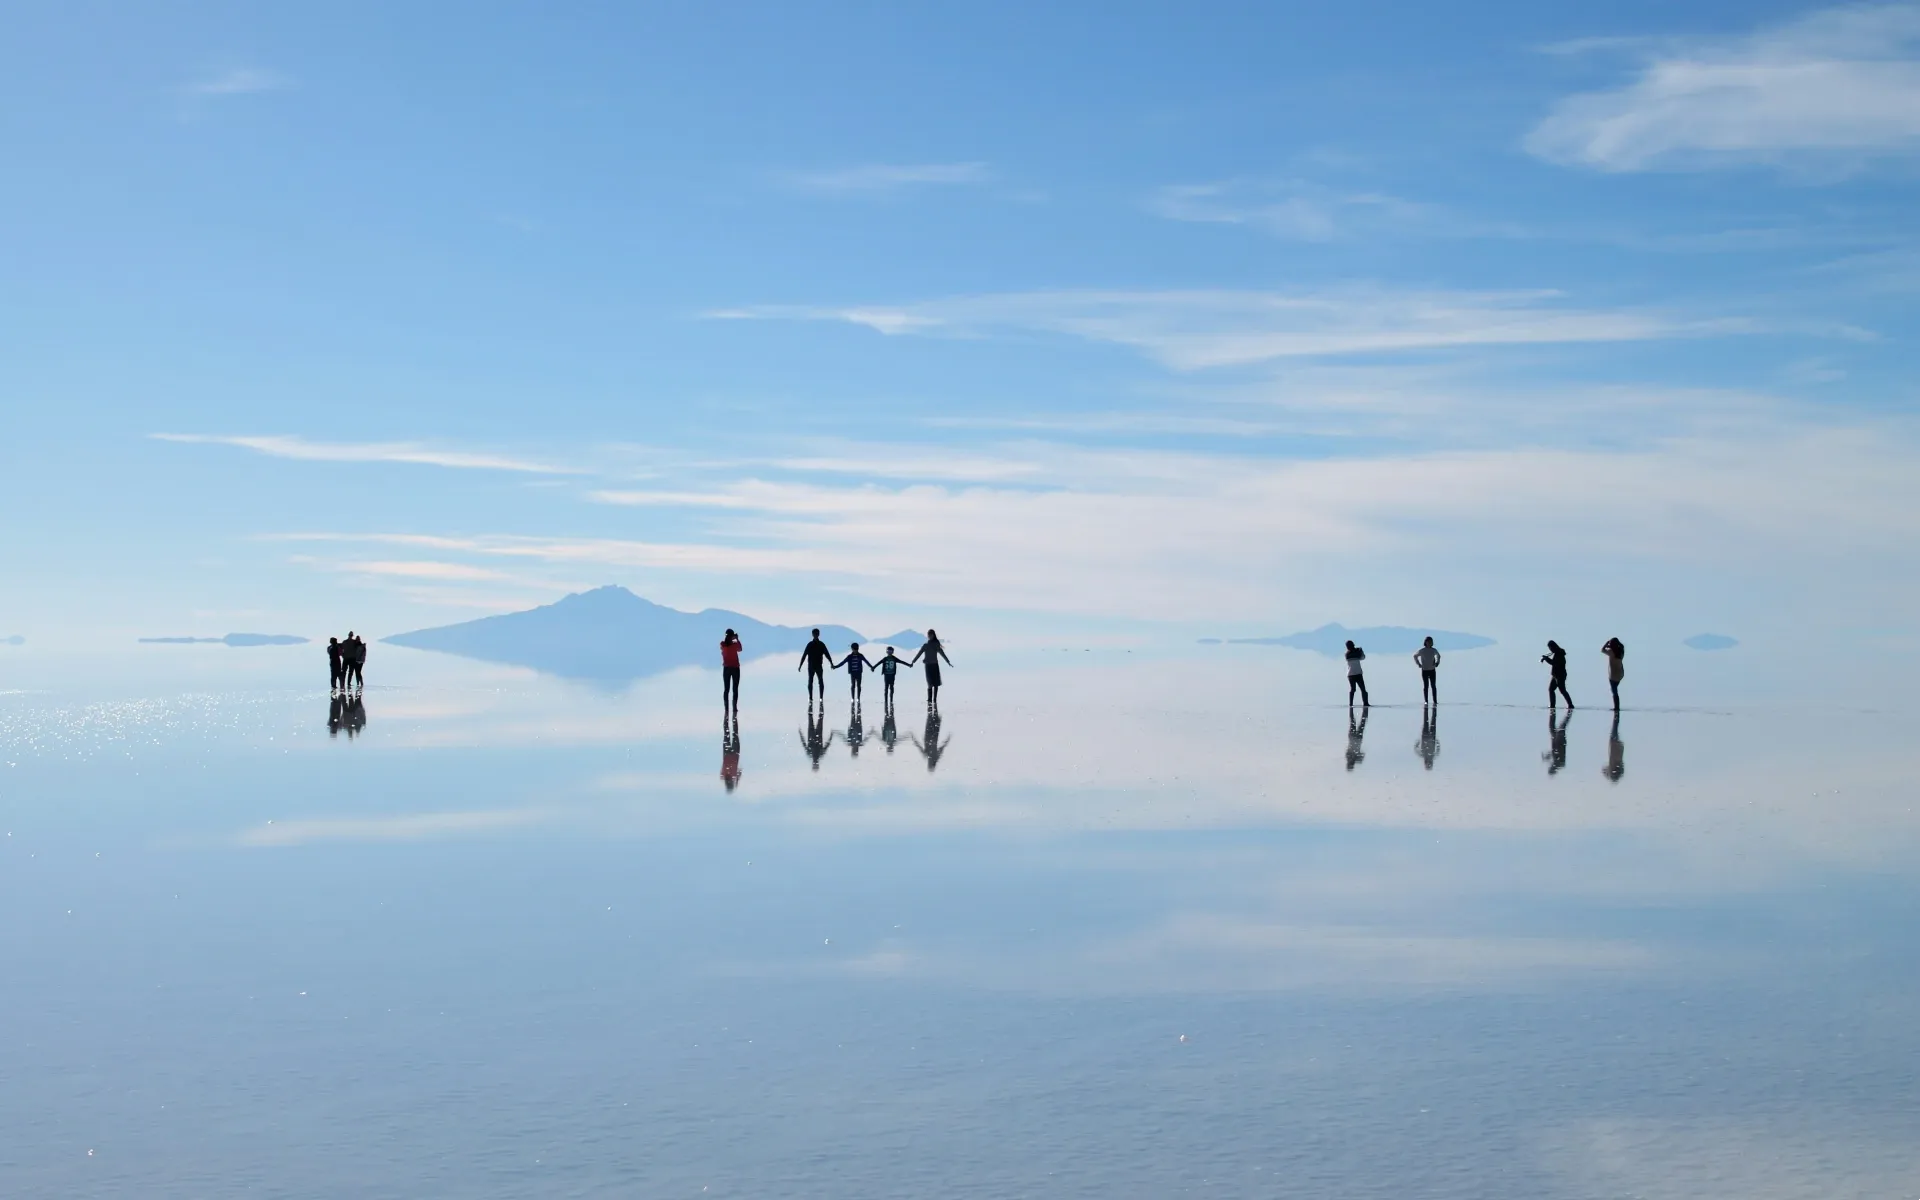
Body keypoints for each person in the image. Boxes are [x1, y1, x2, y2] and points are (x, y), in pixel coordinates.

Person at [910, 630, 953, 708]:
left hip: (935, 665)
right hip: (928, 666)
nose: (930, 636)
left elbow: (942, 653)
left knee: (936, 683)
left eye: (931, 635)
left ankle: (934, 699)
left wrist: (948, 662)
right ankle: (929, 699)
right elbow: (919, 654)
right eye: (928, 635)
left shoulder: (936, 645)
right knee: (930, 683)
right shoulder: (925, 645)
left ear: (933, 635)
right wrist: (913, 661)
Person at [797, 629, 831, 704]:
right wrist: (800, 665)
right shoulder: (810, 644)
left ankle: (821, 697)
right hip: (811, 666)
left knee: (820, 681)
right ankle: (811, 697)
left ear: (818, 634)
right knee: (811, 681)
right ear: (813, 635)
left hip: (818, 666)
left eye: (816, 634)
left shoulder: (821, 644)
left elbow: (827, 654)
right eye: (814, 634)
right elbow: (804, 655)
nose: (815, 635)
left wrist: (831, 663)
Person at [1541, 640, 1572, 709]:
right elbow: (1553, 663)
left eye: (1550, 648)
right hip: (1555, 675)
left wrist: (1546, 659)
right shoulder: (1557, 653)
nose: (1550, 650)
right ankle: (1552, 705)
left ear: (1553, 647)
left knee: (1562, 690)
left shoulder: (1559, 654)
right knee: (1551, 689)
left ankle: (1570, 705)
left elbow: (1554, 663)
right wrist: (1546, 658)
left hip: (1560, 675)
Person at [719, 629, 743, 712]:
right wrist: (736, 639)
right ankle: (734, 707)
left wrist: (732, 639)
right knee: (735, 689)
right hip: (735, 668)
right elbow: (740, 649)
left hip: (726, 669)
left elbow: (724, 646)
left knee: (726, 689)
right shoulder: (734, 644)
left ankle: (726, 708)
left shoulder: (723, 644)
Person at [1413, 637, 1441, 704]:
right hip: (1425, 670)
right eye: (1428, 642)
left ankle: (1435, 700)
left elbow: (1438, 656)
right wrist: (1418, 664)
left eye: (1431, 642)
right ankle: (1426, 701)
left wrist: (1437, 663)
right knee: (1426, 686)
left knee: (1433, 686)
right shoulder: (1422, 650)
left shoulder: (1433, 650)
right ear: (1425, 642)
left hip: (1432, 670)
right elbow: (1415, 656)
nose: (1429, 643)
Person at [1543, 708, 1570, 775]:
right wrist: (1547, 757)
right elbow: (1555, 753)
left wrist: (1547, 757)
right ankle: (1568, 713)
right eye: (1551, 767)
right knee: (1562, 725)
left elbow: (1553, 752)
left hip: (1557, 741)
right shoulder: (1559, 763)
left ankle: (1568, 713)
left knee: (1556, 726)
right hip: (1559, 741)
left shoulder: (1557, 763)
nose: (1550, 766)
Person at [1601, 637, 1625, 711]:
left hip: (1613, 675)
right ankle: (1617, 706)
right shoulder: (1621, 652)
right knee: (1615, 690)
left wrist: (1606, 644)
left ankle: (1616, 707)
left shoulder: (1611, 652)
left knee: (1614, 691)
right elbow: (1622, 646)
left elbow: (1602, 650)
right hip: (1620, 673)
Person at [1344, 640, 1369, 707]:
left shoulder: (1347, 654)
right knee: (1362, 689)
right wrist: (1361, 651)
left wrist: (1359, 651)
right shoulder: (1348, 654)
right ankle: (1365, 703)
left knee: (1353, 689)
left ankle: (1351, 704)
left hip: (1351, 674)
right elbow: (1362, 657)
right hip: (1357, 673)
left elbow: (1361, 657)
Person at [721, 715, 742, 792]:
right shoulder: (723, 776)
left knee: (735, 733)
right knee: (726, 733)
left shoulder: (733, 776)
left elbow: (740, 772)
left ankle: (733, 717)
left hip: (735, 754)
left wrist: (737, 781)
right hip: (727, 754)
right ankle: (729, 716)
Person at [1603, 712, 1625, 783]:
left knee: (1615, 728)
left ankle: (1616, 714)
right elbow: (1604, 770)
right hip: (1615, 746)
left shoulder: (1617, 766)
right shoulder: (1616, 766)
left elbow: (1604, 770)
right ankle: (1616, 715)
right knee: (1615, 728)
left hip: (1615, 746)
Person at [1415, 706, 1439, 770]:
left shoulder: (1426, 755)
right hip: (1430, 738)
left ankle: (1427, 709)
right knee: (1431, 721)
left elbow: (1417, 750)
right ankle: (1429, 709)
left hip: (1426, 737)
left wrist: (1418, 743)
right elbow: (1417, 750)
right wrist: (1437, 742)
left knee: (1427, 721)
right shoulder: (1430, 755)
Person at [1345, 706, 1368, 771]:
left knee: (1356, 723)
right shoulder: (1352, 757)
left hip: (1355, 739)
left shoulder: (1349, 756)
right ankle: (1364, 713)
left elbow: (1362, 755)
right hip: (1356, 739)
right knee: (1360, 723)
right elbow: (1362, 755)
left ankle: (1353, 711)